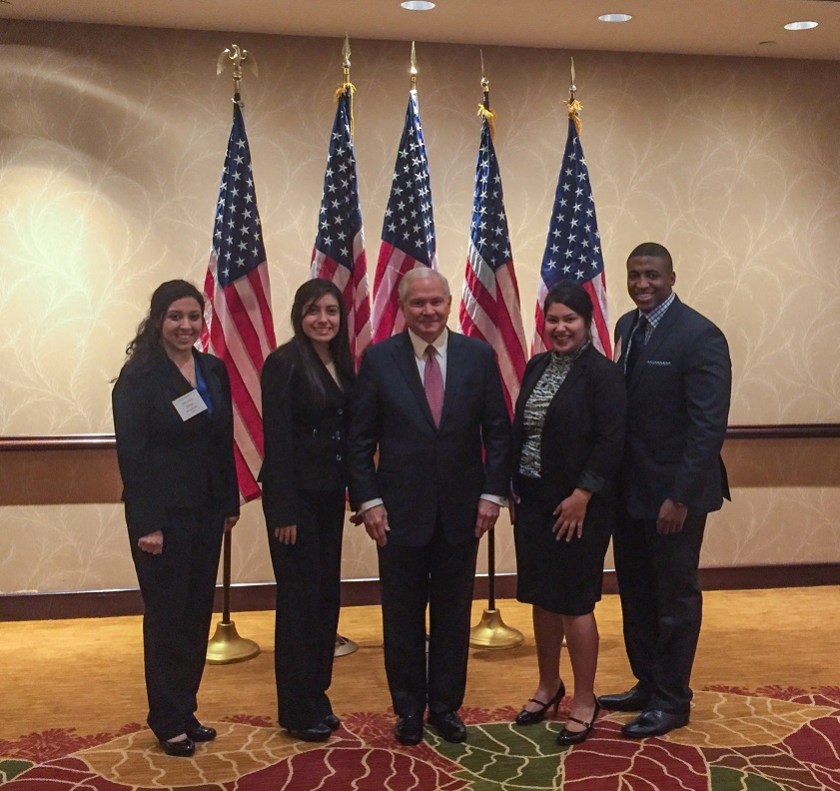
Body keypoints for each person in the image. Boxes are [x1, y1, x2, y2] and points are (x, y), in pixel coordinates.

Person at [348, 268, 510, 746]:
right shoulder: (378, 360)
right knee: (401, 615)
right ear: (403, 306)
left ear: (449, 302)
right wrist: (370, 500)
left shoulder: (478, 357)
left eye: (437, 302)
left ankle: (444, 706)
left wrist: (491, 494)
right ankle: (409, 709)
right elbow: (359, 441)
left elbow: (498, 433)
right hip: (396, 514)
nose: (429, 311)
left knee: (453, 612)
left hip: (464, 511)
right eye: (418, 303)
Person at [598, 242, 731, 738]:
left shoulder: (700, 336)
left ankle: (674, 699)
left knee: (674, 598)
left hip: (675, 498)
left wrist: (679, 497)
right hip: (630, 494)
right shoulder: (627, 328)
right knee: (636, 593)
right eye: (634, 276)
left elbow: (707, 427)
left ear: (672, 276)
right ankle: (648, 683)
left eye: (651, 275)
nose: (641, 285)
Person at [112, 279, 239, 757]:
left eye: (193, 317)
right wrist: (147, 524)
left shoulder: (213, 369)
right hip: (160, 521)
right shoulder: (139, 376)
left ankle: (185, 708)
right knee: (166, 618)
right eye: (175, 317)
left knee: (195, 615)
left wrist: (228, 502)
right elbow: (134, 455)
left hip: (207, 513)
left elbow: (220, 439)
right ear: (158, 320)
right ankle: (165, 719)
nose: (186, 326)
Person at [511, 283, 626, 745]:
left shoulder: (603, 375)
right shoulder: (537, 365)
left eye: (569, 320)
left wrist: (583, 493)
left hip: (580, 506)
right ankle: (547, 685)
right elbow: (525, 432)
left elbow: (611, 441)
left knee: (575, 602)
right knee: (541, 596)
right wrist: (516, 491)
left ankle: (583, 698)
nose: (560, 328)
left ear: (586, 323)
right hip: (536, 501)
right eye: (553, 319)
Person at [260, 279, 355, 743]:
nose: (324, 319)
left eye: (332, 311)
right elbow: (275, 441)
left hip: (328, 498)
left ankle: (317, 695)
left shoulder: (343, 361)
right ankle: (296, 709)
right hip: (293, 503)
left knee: (325, 599)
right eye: (314, 310)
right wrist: (282, 512)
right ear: (299, 314)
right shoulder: (283, 363)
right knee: (299, 604)